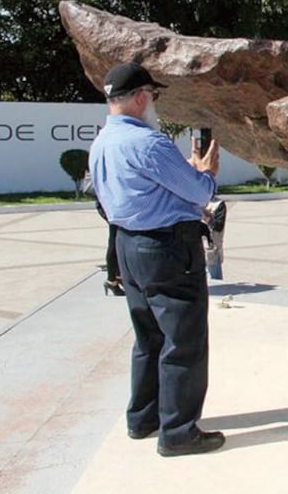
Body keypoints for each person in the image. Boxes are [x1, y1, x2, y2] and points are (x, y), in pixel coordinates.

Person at [88, 62, 225, 457]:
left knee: (148, 337)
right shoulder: (150, 143)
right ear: (141, 97)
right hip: (166, 250)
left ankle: (143, 418)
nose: (155, 106)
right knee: (184, 340)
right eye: (155, 96)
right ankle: (179, 432)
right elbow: (198, 191)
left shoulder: (102, 143)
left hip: (128, 248)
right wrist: (206, 172)